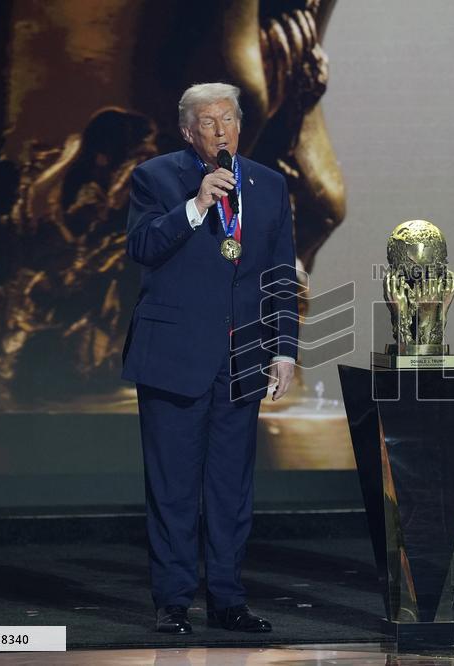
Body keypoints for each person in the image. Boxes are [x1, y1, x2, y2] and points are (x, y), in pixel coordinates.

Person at [122, 82, 298, 634]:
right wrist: (197, 205)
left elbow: (279, 277)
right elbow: (143, 247)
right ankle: (173, 600)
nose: (219, 131)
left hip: (243, 357)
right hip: (174, 357)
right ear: (186, 130)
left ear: (240, 126)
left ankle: (227, 598)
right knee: (173, 487)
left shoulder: (269, 186)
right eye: (206, 122)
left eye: (227, 120)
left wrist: (285, 349)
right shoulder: (156, 178)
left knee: (230, 488)